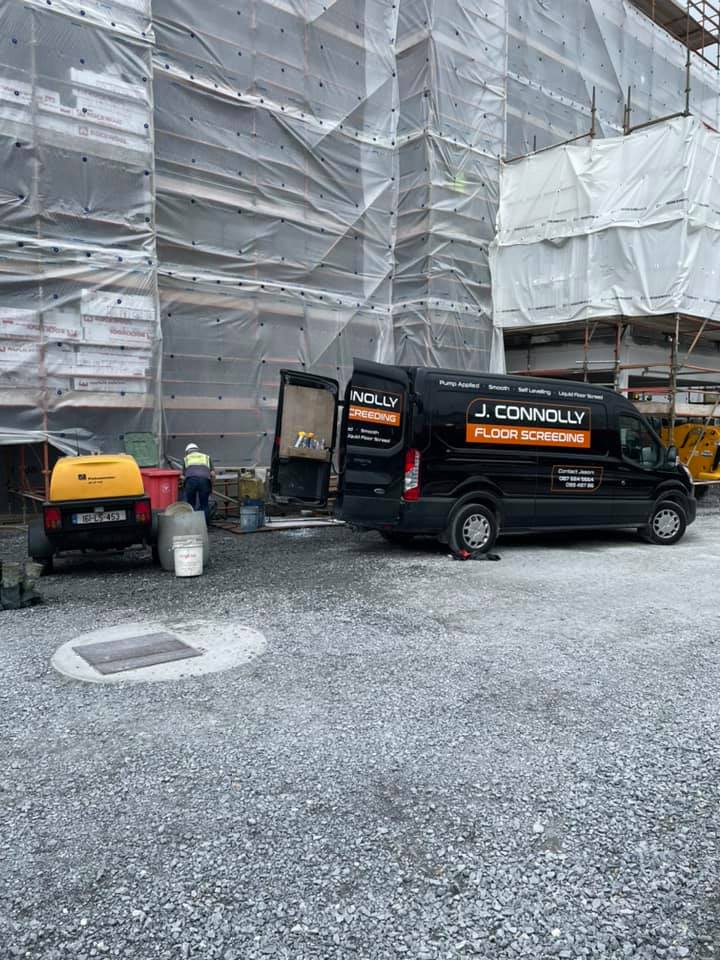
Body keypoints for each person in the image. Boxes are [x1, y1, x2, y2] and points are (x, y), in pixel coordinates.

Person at [183, 442, 214, 523]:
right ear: (197, 450)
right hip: (204, 481)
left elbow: (183, 475)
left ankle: (192, 524)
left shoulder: (186, 458)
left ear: (187, 451)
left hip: (191, 481)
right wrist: (211, 485)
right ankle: (205, 524)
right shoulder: (206, 457)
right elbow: (213, 474)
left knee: (190, 504)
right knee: (204, 504)